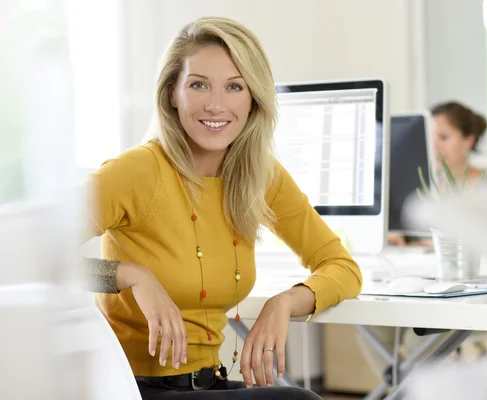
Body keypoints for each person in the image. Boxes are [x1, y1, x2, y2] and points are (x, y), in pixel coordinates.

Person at [84, 16, 362, 400]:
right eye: (198, 85)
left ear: (253, 99)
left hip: (209, 383)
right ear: (171, 93)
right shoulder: (137, 171)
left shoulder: (259, 174)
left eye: (235, 86)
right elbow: (26, 258)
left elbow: (342, 267)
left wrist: (285, 302)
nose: (216, 105)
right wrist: (130, 276)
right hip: (131, 388)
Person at [387, 100, 487, 247]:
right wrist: (395, 236)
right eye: (430, 137)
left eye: (443, 137)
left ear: (469, 140)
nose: (434, 146)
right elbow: (408, 235)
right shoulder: (418, 188)